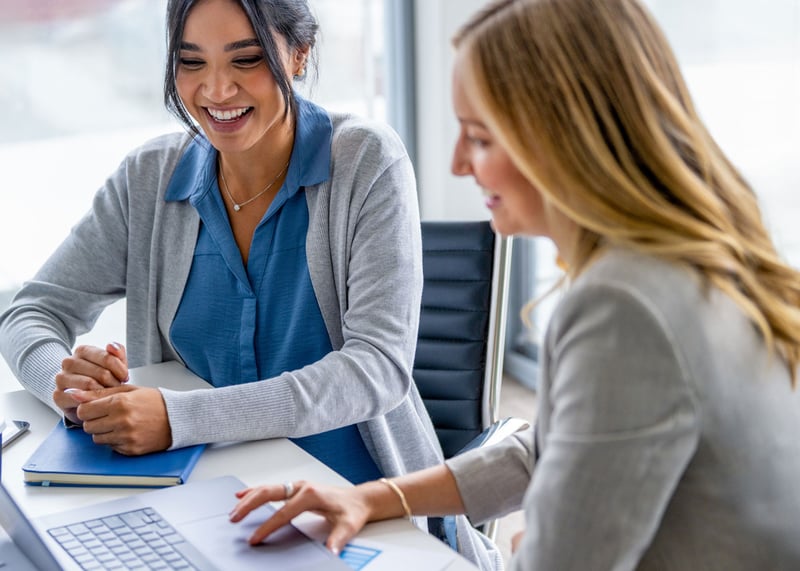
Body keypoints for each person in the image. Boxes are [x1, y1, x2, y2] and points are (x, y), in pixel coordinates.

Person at [227, 0, 800, 569]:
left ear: (569, 138)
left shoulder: (623, 308)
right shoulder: (689, 259)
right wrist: (373, 497)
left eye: (479, 137)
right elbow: (548, 450)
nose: (456, 164)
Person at [0, 1, 502, 567]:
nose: (216, 90)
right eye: (192, 62)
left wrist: (179, 418)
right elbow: (32, 313)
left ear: (299, 53)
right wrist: (69, 392)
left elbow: (376, 369)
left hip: (355, 509)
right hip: (201, 505)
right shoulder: (149, 179)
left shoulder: (366, 161)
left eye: (247, 58)